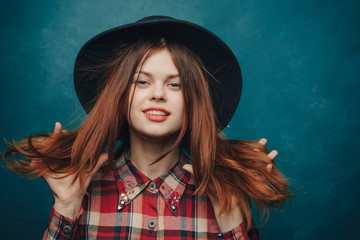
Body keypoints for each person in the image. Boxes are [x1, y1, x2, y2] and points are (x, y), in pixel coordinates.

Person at [2, 16, 291, 239]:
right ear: (119, 95)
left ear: (194, 103)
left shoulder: (224, 194)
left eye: (175, 84)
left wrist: (231, 219)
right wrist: (65, 208)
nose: (158, 94)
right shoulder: (80, 192)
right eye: (142, 81)